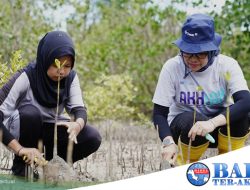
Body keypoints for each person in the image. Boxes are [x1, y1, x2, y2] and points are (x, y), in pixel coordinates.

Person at [152, 13, 250, 166]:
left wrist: (212, 123)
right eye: (188, 53)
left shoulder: (227, 65)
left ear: (212, 51)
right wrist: (168, 142)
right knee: (194, 119)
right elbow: (159, 114)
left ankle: (228, 160)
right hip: (185, 128)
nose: (193, 59)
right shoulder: (172, 67)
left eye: (200, 54)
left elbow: (245, 101)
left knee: (242, 114)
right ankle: (184, 163)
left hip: (217, 129)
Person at [0, 31, 102, 177]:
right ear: (45, 59)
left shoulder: (71, 78)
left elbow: (79, 109)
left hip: (49, 131)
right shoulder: (26, 76)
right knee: (31, 114)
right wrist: (20, 149)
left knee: (92, 136)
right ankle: (22, 166)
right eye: (56, 64)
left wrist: (77, 125)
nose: (61, 71)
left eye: (67, 66)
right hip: (23, 130)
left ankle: (51, 164)